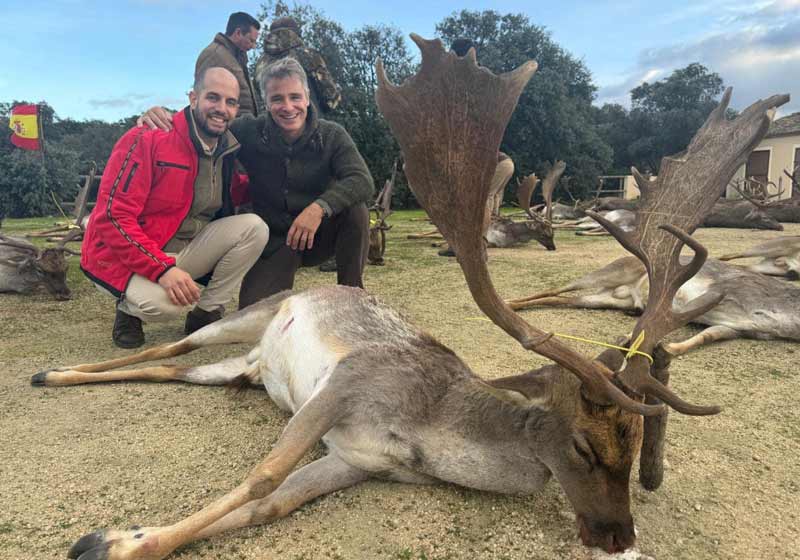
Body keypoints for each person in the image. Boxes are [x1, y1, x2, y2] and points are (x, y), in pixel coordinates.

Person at [141, 57, 373, 309]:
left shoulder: (332, 135)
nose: (288, 106)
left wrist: (318, 208)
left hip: (317, 236)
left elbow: (361, 179)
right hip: (274, 242)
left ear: (307, 97)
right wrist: (161, 114)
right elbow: (207, 123)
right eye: (277, 99)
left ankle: (352, 298)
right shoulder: (248, 130)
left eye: (295, 97)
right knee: (253, 314)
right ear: (266, 103)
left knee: (355, 210)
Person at [82, 67, 269, 349]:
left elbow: (235, 193)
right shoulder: (148, 137)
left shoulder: (227, 151)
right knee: (165, 307)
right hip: (124, 255)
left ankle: (205, 314)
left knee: (254, 227)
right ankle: (127, 310)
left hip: (181, 250)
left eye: (230, 102)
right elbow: (112, 217)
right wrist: (162, 270)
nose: (221, 109)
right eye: (213, 98)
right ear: (193, 98)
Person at [437, 39, 515, 257]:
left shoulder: (469, 86)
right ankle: (462, 244)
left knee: (482, 199)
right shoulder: (471, 86)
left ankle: (478, 246)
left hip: (499, 163)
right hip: (498, 162)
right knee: (469, 201)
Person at [255, 17, 341, 115]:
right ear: (297, 33)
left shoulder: (260, 64)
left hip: (272, 122)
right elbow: (330, 94)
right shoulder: (308, 54)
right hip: (308, 120)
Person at [196, 12, 261, 117]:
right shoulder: (213, 55)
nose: (253, 46)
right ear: (238, 33)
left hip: (242, 128)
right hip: (223, 127)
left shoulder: (238, 57)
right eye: (251, 40)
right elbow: (201, 98)